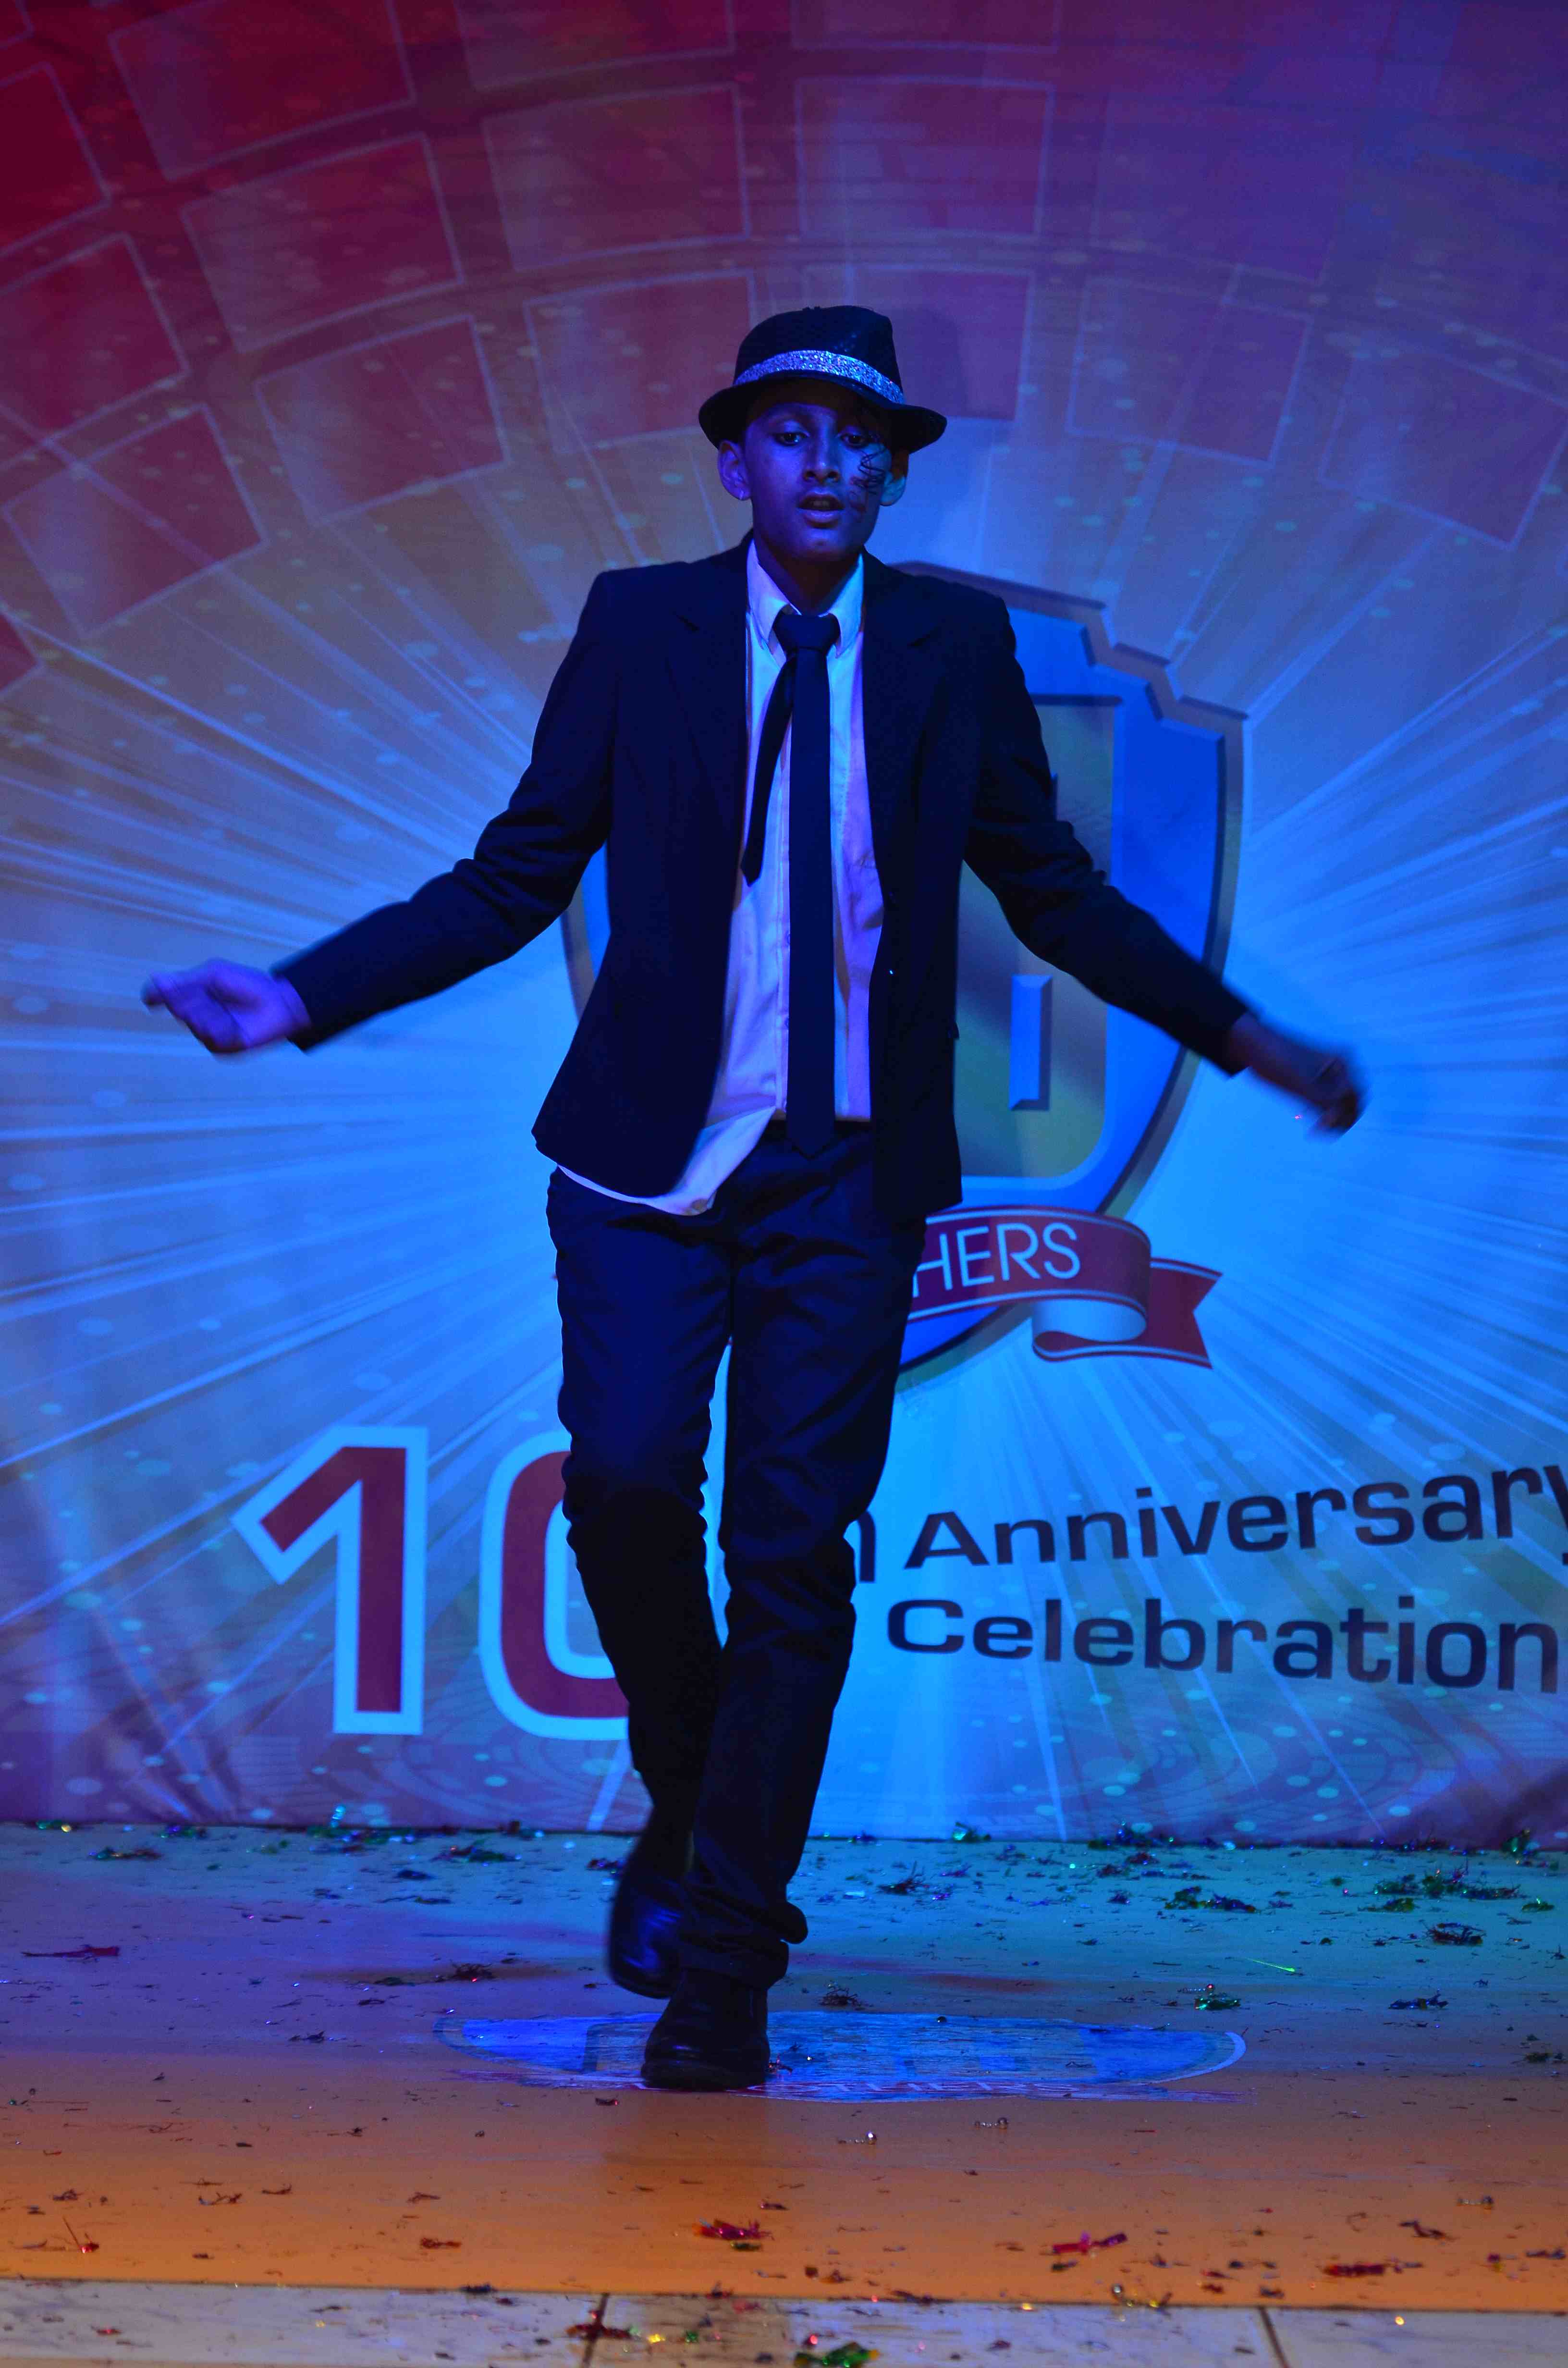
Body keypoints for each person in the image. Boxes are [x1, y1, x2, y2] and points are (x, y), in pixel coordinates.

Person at [145, 306, 1363, 2092]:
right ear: (735, 462)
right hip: (646, 1161)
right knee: (629, 1484)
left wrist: (1245, 1038)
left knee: (794, 1559)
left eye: (862, 439)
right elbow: (515, 873)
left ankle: (722, 1969)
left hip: (847, 1176)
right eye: (793, 432)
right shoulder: (642, 624)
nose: (829, 463)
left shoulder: (950, 643)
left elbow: (1051, 890)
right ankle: (697, 1785)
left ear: (891, 474)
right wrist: (302, 993)